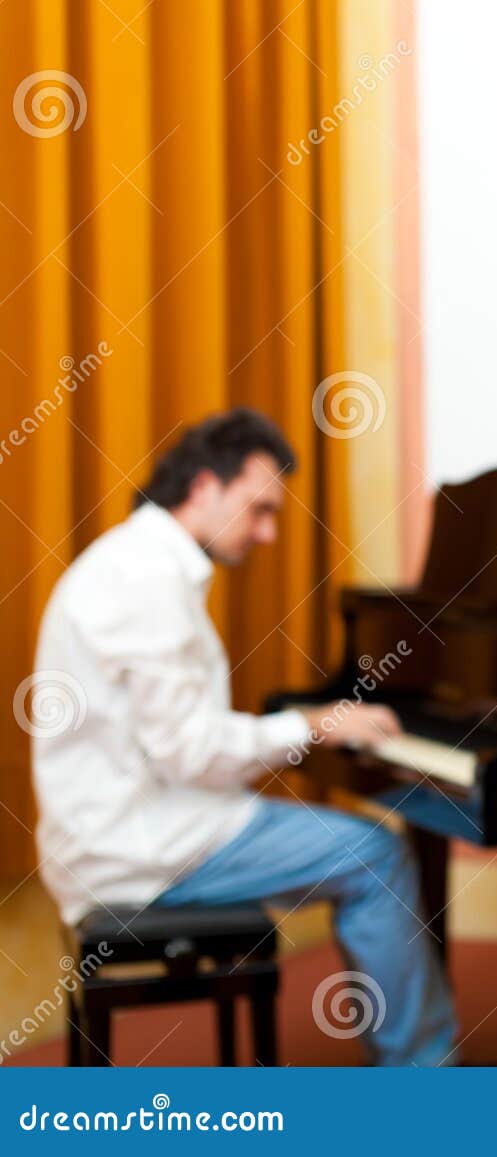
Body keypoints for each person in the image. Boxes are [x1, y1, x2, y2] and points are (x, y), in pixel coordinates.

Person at [30, 407, 456, 1065]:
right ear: (203, 486)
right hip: (140, 844)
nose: (268, 532)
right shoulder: (145, 578)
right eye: (258, 508)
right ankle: (426, 1078)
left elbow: (181, 743)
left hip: (127, 825)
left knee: (363, 846)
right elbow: (193, 752)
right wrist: (317, 724)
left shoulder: (135, 561)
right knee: (374, 853)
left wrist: (307, 731)